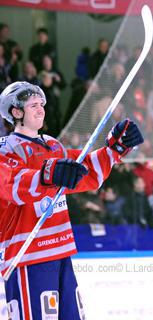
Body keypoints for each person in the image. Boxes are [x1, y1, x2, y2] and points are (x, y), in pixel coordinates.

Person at [0, 81, 144, 319]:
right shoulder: (6, 149)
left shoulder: (53, 145)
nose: (41, 109)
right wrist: (49, 174)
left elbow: (85, 170)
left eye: (41, 104)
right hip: (27, 255)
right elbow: (12, 184)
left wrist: (114, 149)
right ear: (16, 112)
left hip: (60, 250)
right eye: (33, 105)